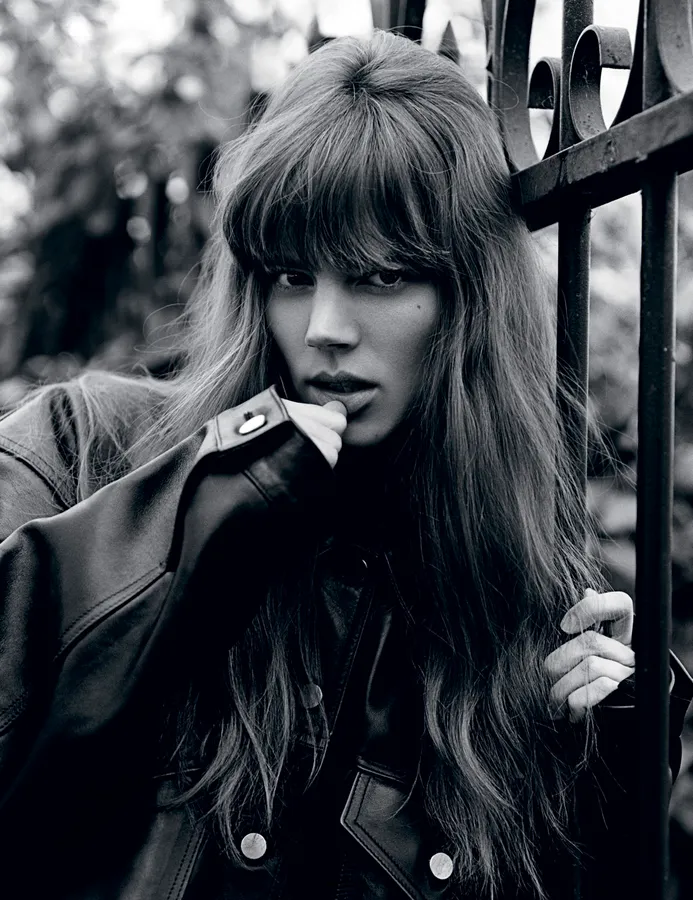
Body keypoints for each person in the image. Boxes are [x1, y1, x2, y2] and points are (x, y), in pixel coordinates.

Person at [0, 30, 690, 900]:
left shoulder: (511, 592)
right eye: (292, 275)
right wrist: (193, 516)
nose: (325, 328)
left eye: (379, 276)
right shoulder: (82, 446)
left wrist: (605, 748)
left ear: (465, 299)